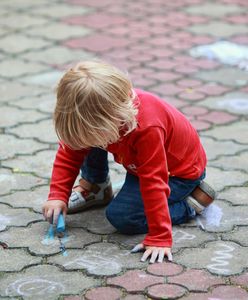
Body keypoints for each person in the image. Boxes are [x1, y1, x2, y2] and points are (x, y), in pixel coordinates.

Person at [42, 60, 215, 263]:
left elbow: (154, 183)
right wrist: (57, 195)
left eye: (94, 132)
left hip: (176, 174)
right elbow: (70, 151)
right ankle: (96, 188)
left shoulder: (147, 128)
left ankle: (191, 204)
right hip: (140, 163)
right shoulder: (105, 111)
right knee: (84, 139)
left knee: (123, 217)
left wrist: (160, 237)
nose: (83, 141)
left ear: (111, 119)